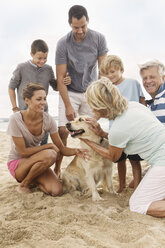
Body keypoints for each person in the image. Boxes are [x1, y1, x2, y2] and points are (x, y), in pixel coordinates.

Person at [81, 77, 165, 218]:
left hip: (162, 162)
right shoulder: (134, 106)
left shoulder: (118, 129)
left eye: (91, 104)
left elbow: (113, 156)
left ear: (99, 106)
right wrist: (101, 133)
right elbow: (126, 137)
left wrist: (88, 140)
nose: (91, 108)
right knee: (139, 184)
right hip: (160, 159)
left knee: (137, 204)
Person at [7, 83, 88, 195]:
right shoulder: (15, 119)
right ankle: (24, 184)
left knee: (57, 191)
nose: (43, 103)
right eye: (39, 99)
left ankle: (34, 180)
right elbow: (23, 152)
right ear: (27, 100)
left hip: (38, 163)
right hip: (18, 164)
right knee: (50, 154)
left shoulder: (48, 120)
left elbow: (61, 148)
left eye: (45, 99)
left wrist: (76, 151)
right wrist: (48, 145)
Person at [55, 5, 108, 146]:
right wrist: (68, 106)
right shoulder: (62, 44)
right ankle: (58, 168)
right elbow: (60, 78)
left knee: (91, 130)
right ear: (69, 24)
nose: (80, 31)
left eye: (83, 26)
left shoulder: (99, 39)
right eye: (75, 27)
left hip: (91, 92)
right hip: (70, 91)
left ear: (88, 21)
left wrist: (99, 97)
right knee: (63, 130)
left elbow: (103, 73)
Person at [8, 39, 71, 145]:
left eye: (45, 58)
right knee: (25, 146)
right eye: (39, 58)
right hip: (25, 113)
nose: (42, 61)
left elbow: (56, 87)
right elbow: (11, 88)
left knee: (43, 144)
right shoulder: (21, 68)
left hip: (43, 113)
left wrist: (65, 81)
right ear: (32, 54)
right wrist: (15, 108)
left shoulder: (48, 69)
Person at [99, 55, 146, 193]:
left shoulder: (133, 83)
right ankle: (121, 185)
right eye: (106, 73)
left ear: (121, 69)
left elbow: (142, 101)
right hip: (116, 129)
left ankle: (137, 186)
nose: (110, 75)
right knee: (119, 160)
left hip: (133, 128)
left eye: (113, 72)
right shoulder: (107, 89)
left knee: (134, 160)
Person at [139, 60, 165, 124]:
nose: (148, 81)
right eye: (145, 78)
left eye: (152, 77)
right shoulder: (148, 105)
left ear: (163, 78)